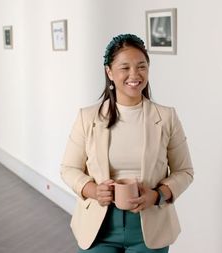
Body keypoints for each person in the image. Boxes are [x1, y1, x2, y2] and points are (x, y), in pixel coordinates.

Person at [60, 34, 194, 253]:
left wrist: (157, 195)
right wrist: (93, 190)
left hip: (150, 229)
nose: (134, 74)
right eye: (125, 68)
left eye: (141, 66)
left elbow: (185, 171)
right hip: (98, 228)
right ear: (109, 72)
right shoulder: (87, 117)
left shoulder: (167, 117)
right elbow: (68, 169)